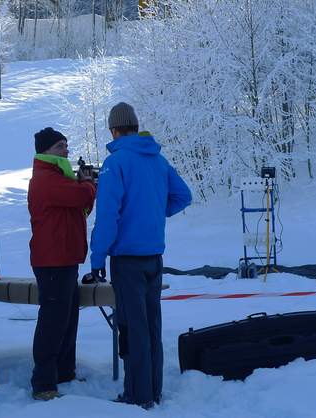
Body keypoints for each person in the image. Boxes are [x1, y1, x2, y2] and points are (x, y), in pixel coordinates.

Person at [89, 102, 192, 409]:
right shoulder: (158, 160)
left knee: (133, 328)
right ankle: (153, 390)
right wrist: (153, 215)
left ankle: (138, 396)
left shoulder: (116, 163)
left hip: (127, 260)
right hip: (154, 257)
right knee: (152, 326)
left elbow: (107, 216)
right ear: (135, 126)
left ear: (113, 130)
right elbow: (183, 195)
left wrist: (97, 260)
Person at [27, 128, 96, 400]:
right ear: (45, 151)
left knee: (67, 317)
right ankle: (43, 381)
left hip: (63, 257)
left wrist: (86, 189)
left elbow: (80, 208)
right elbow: (80, 197)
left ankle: (63, 371)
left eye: (66, 145)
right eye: (59, 146)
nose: (65, 150)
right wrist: (89, 185)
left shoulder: (57, 177)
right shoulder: (46, 178)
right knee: (53, 321)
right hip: (53, 259)